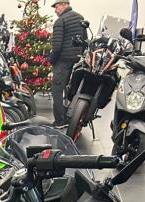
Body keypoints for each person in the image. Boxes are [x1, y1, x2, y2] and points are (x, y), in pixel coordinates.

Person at [48, 0, 86, 128]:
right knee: (73, 90)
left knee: (57, 90)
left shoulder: (60, 21)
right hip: (77, 61)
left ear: (64, 5)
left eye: (56, 7)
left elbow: (57, 47)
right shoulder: (80, 17)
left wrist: (51, 60)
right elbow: (84, 40)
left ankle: (60, 121)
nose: (55, 10)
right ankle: (73, 118)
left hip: (62, 62)